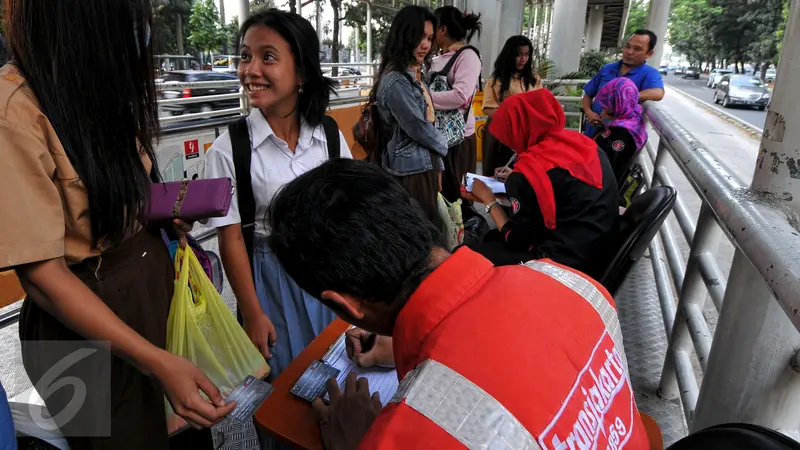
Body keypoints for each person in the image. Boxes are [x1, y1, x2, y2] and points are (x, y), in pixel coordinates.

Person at [265, 158, 650, 450]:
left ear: (347, 307)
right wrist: (406, 347)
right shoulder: (571, 281)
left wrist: (363, 444)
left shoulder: (405, 434)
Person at [0, 1, 234, 449]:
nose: (141, 34)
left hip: (150, 291)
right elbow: (44, 279)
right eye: (128, 22)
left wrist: (162, 212)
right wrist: (157, 362)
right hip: (79, 324)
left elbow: (118, 197)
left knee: (186, 434)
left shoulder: (98, 88)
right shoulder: (14, 109)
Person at [204, 10, 352, 379]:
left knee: (338, 373)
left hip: (330, 277)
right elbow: (232, 237)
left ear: (301, 72)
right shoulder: (229, 149)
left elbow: (350, 212)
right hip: (272, 283)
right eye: (245, 56)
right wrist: (253, 314)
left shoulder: (329, 137)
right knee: (286, 385)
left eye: (267, 57)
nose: (250, 69)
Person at [465, 89, 619, 281]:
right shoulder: (582, 145)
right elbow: (563, 185)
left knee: (463, 255)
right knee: (489, 239)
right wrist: (518, 183)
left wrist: (488, 200)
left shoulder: (529, 171)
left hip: (562, 266)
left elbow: (516, 240)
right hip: (599, 249)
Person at [372, 5, 448, 227]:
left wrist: (439, 165)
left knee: (428, 227)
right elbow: (419, 128)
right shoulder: (395, 81)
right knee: (419, 232)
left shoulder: (413, 73)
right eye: (420, 36)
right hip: (410, 170)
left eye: (430, 38)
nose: (425, 44)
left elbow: (427, 123)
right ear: (404, 35)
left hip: (423, 164)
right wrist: (445, 147)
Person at [429, 6, 483, 202]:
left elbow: (461, 96)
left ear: (442, 29)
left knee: (458, 196)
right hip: (437, 135)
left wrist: (424, 97)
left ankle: (464, 231)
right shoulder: (437, 59)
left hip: (459, 139)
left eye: (431, 31)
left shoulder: (468, 56)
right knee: (441, 195)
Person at [582, 29, 664, 139]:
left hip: (617, 140)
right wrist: (589, 112)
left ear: (649, 53)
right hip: (591, 132)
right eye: (627, 46)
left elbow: (658, 93)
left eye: (637, 49)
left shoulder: (649, 74)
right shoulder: (607, 69)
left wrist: (624, 97)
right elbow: (588, 94)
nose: (629, 52)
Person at [481, 34, 542, 177]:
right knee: (496, 176)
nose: (523, 59)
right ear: (509, 55)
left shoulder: (535, 80)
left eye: (526, 55)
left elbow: (541, 106)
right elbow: (489, 108)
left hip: (527, 135)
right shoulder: (496, 79)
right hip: (500, 135)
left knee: (522, 176)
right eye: (518, 55)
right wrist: (514, 118)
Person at [592, 77, 648, 181]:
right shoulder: (632, 117)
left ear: (617, 103)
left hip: (599, 185)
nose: (603, 105)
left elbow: (607, 168)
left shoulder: (622, 133)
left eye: (608, 101)